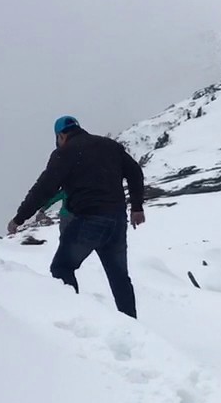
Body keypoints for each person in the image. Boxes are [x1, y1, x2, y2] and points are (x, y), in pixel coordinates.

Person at [9, 115, 146, 318]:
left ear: (61, 135)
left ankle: (74, 320)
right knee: (119, 277)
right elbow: (135, 172)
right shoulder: (109, 146)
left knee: (62, 267)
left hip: (89, 220)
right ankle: (131, 324)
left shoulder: (64, 153)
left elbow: (44, 188)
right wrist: (136, 207)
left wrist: (20, 218)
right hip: (117, 221)